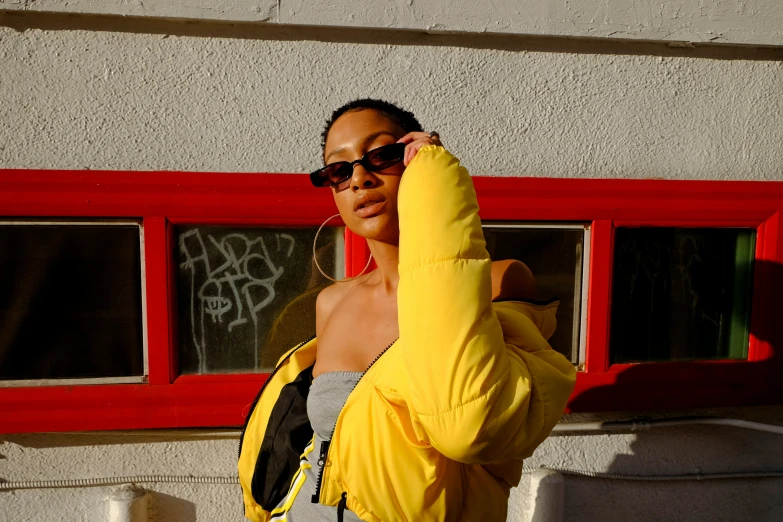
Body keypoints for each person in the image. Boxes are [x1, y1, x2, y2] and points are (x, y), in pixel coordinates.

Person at [238, 99, 576, 521]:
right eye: (339, 171)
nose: (360, 178)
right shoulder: (333, 302)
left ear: (415, 157)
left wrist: (434, 178)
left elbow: (474, 421)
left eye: (380, 155)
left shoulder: (500, 283)